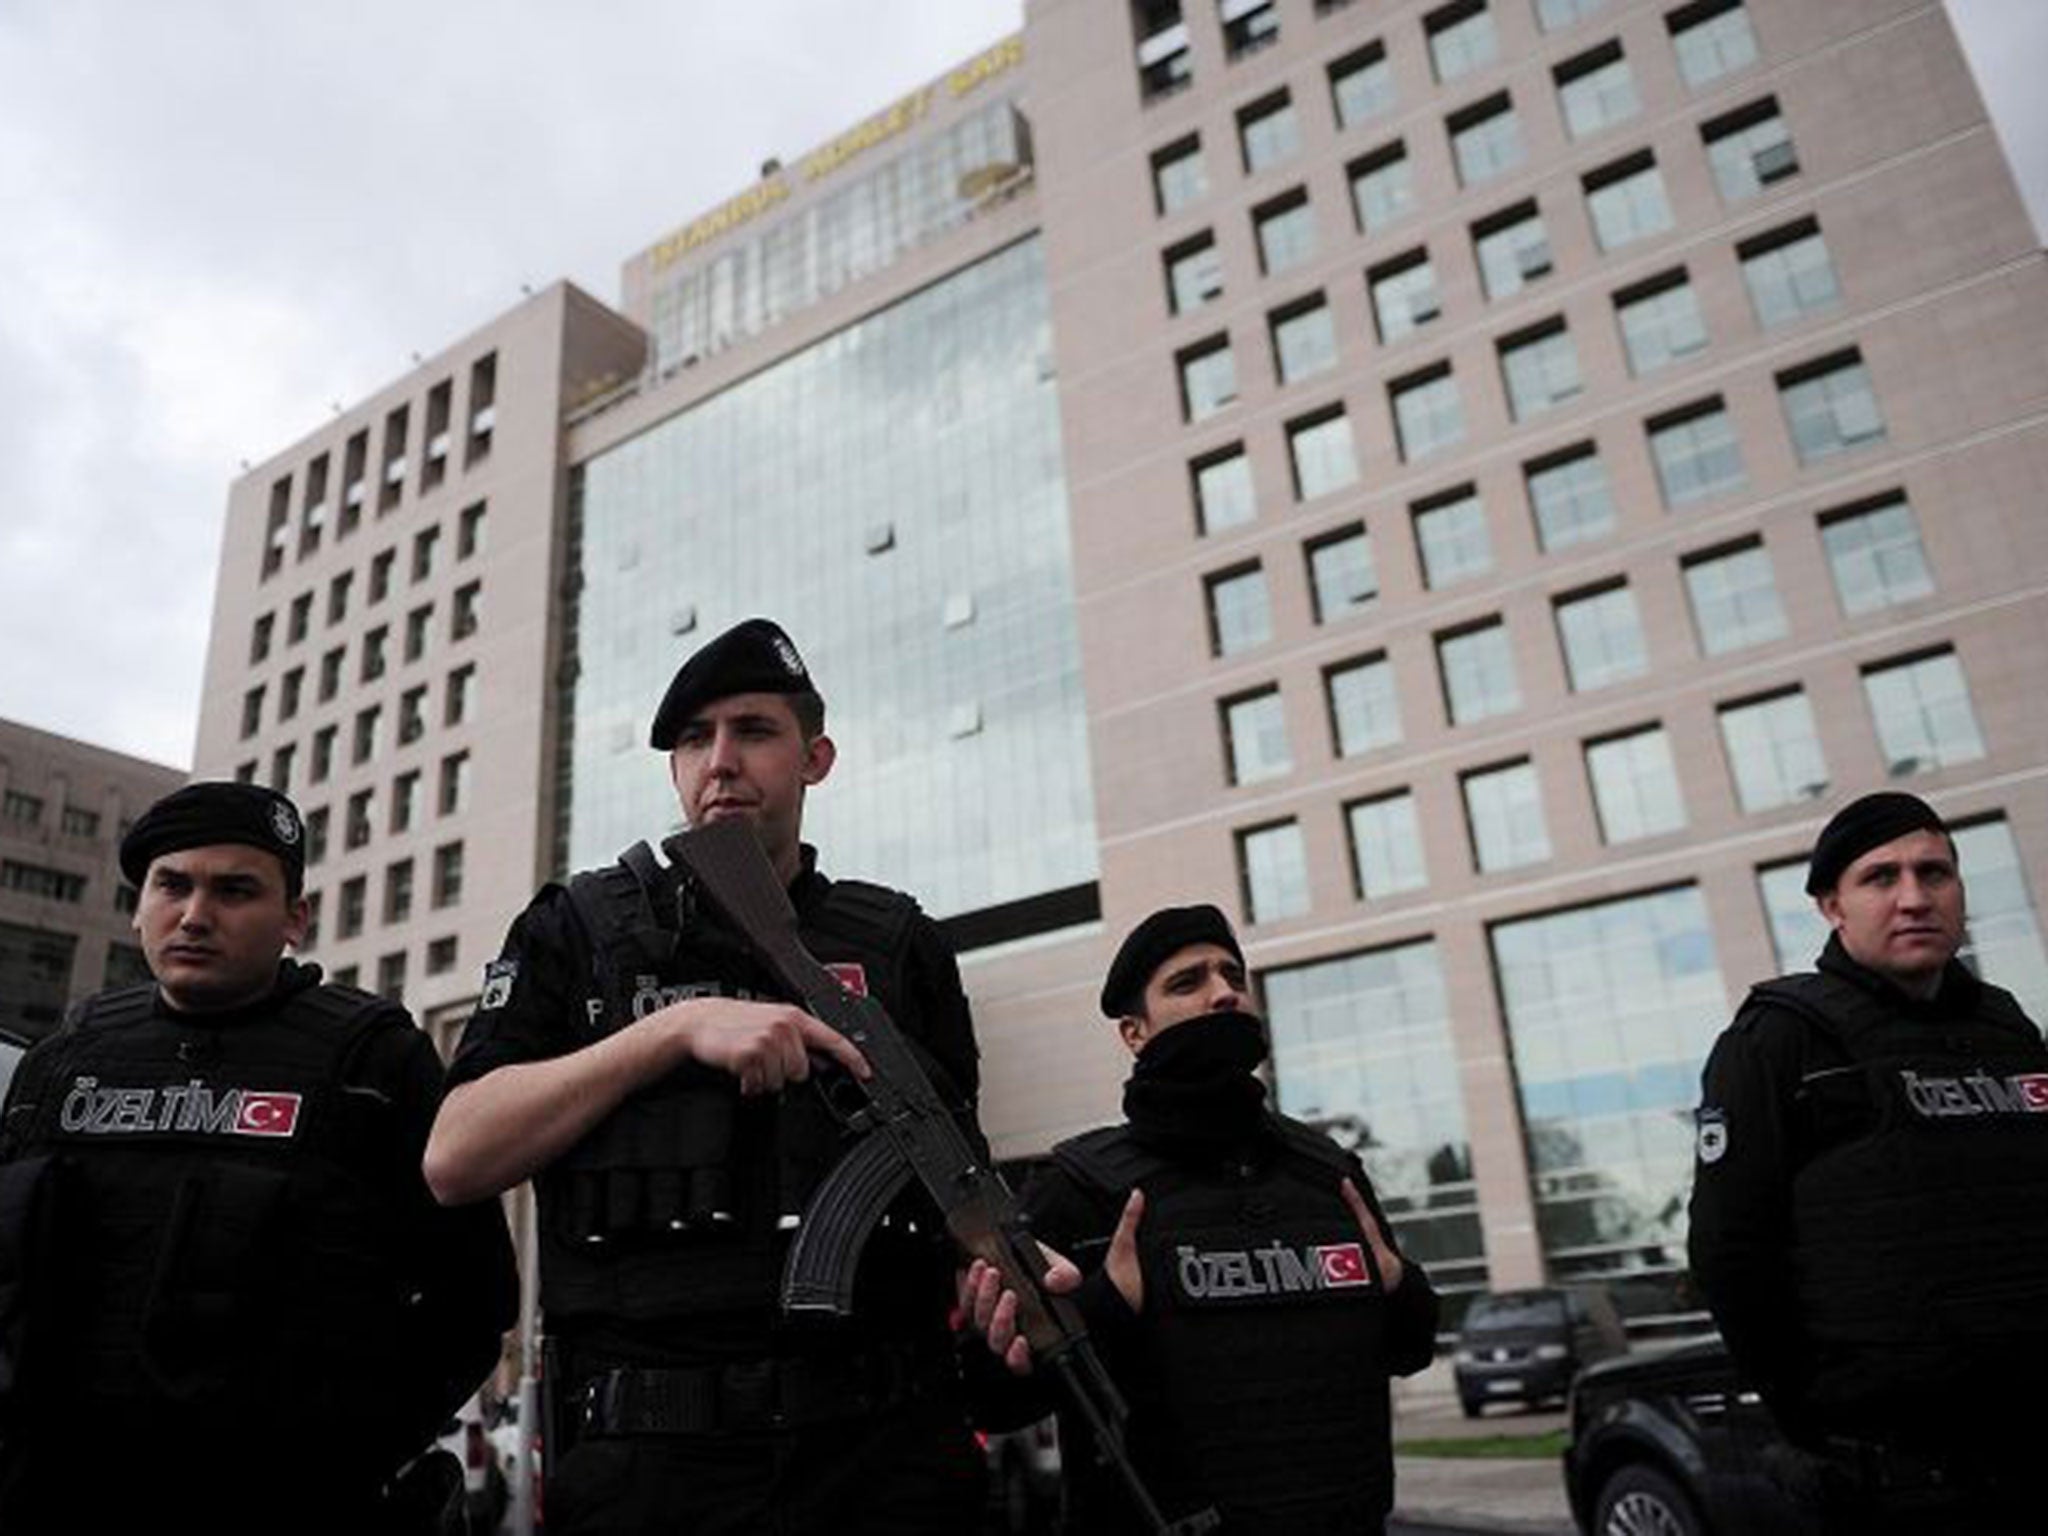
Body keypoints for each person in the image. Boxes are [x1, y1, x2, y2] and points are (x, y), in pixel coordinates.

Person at [423, 618, 988, 1535]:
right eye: (694, 739)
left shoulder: (897, 942)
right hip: (651, 1471)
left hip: (882, 1459)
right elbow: (456, 1154)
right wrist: (671, 1033)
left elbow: (963, 1184)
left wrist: (1012, 1277)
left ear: (816, 757)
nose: (719, 761)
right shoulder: (581, 928)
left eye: (753, 732)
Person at [0, 781, 517, 1535]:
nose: (196, 915)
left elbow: (474, 1300)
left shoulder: (373, 1063)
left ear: (294, 920)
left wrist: (348, 1451)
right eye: (171, 885)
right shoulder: (63, 1062)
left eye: (235, 890)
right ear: (138, 907)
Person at [965, 904, 1439, 1535]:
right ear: (1134, 1031)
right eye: (1189, 983)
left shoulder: (1328, 1175)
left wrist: (1400, 1288)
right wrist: (1103, 1310)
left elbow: (1408, 1351)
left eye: (1233, 977)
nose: (1224, 995)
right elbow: (993, 1399)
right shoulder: (1077, 1188)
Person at [1688, 791, 2048, 1532]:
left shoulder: (2007, 1027)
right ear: (1832, 907)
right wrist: (1813, 1419)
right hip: (1892, 1478)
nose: (1915, 898)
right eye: (1881, 877)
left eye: (1935, 873)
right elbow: (1731, 1253)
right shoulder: (1776, 1042)